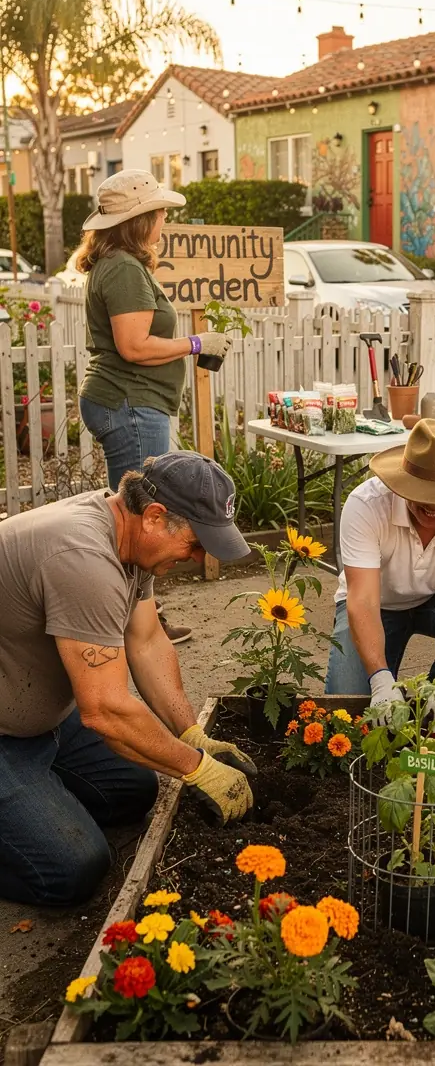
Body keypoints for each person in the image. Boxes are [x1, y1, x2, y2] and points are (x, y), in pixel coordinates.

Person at [0, 451, 255, 908]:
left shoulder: (130, 538)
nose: (197, 558)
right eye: (196, 544)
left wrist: (190, 734)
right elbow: (104, 710)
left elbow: (146, 640)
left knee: (134, 790)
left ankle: (31, 797)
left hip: (42, 718)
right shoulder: (83, 558)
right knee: (72, 870)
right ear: (156, 516)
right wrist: (197, 768)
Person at [77, 170, 232, 644]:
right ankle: (137, 626)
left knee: (130, 515)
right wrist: (194, 342)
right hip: (130, 402)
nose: (165, 218)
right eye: (159, 211)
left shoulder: (117, 263)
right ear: (139, 219)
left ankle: (135, 617)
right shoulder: (123, 267)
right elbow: (134, 346)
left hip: (126, 401)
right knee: (139, 520)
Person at [324, 419, 435, 721]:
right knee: (348, 714)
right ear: (403, 482)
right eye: (423, 492)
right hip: (376, 604)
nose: (434, 506)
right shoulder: (366, 504)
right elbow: (363, 600)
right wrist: (380, 679)